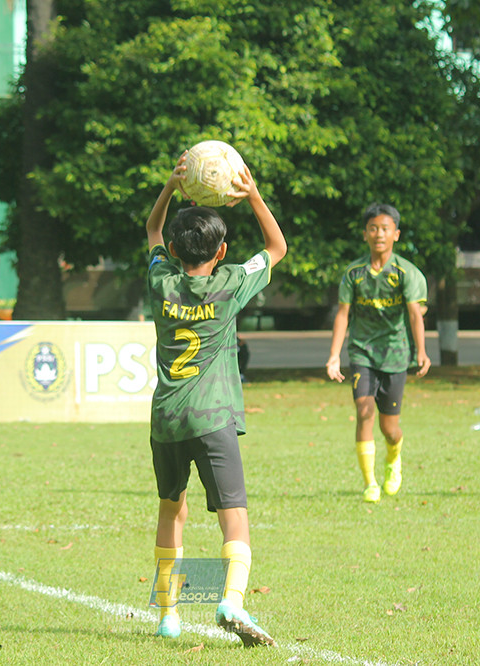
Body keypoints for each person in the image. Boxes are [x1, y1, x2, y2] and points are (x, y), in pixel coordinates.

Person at [145, 152, 287, 646]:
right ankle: (231, 599)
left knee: (172, 510)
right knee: (234, 513)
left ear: (177, 249)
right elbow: (276, 246)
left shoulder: (161, 280)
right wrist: (252, 195)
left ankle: (168, 615)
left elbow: (152, 233)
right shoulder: (229, 285)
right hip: (212, 417)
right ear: (222, 251)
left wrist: (169, 186)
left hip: (166, 420)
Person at [325, 203, 430, 503]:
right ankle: (370, 483)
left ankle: (393, 460)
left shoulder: (405, 273)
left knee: (390, 428)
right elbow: (343, 315)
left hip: (396, 355)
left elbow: (415, 315)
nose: (378, 234)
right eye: (373, 228)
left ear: (396, 234)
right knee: (364, 411)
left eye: (385, 229)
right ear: (365, 234)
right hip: (362, 353)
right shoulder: (354, 274)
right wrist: (334, 355)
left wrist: (421, 352)